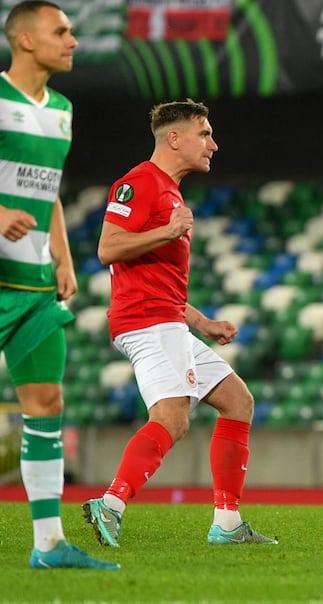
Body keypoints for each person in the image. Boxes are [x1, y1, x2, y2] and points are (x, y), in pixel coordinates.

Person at [81, 99, 278, 547]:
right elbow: (109, 247)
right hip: (147, 323)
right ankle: (110, 503)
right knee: (173, 417)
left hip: (168, 318)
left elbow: (157, 279)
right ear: (175, 138)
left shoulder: (169, 190)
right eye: (204, 133)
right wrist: (167, 232)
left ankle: (227, 523)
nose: (214, 143)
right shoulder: (139, 183)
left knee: (237, 401)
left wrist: (201, 321)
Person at [0, 1, 119, 570]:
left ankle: (48, 545)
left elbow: (45, 192)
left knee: (46, 403)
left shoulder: (64, 110)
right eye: (61, 31)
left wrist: (64, 257)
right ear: (24, 40)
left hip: (33, 283)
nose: (72, 40)